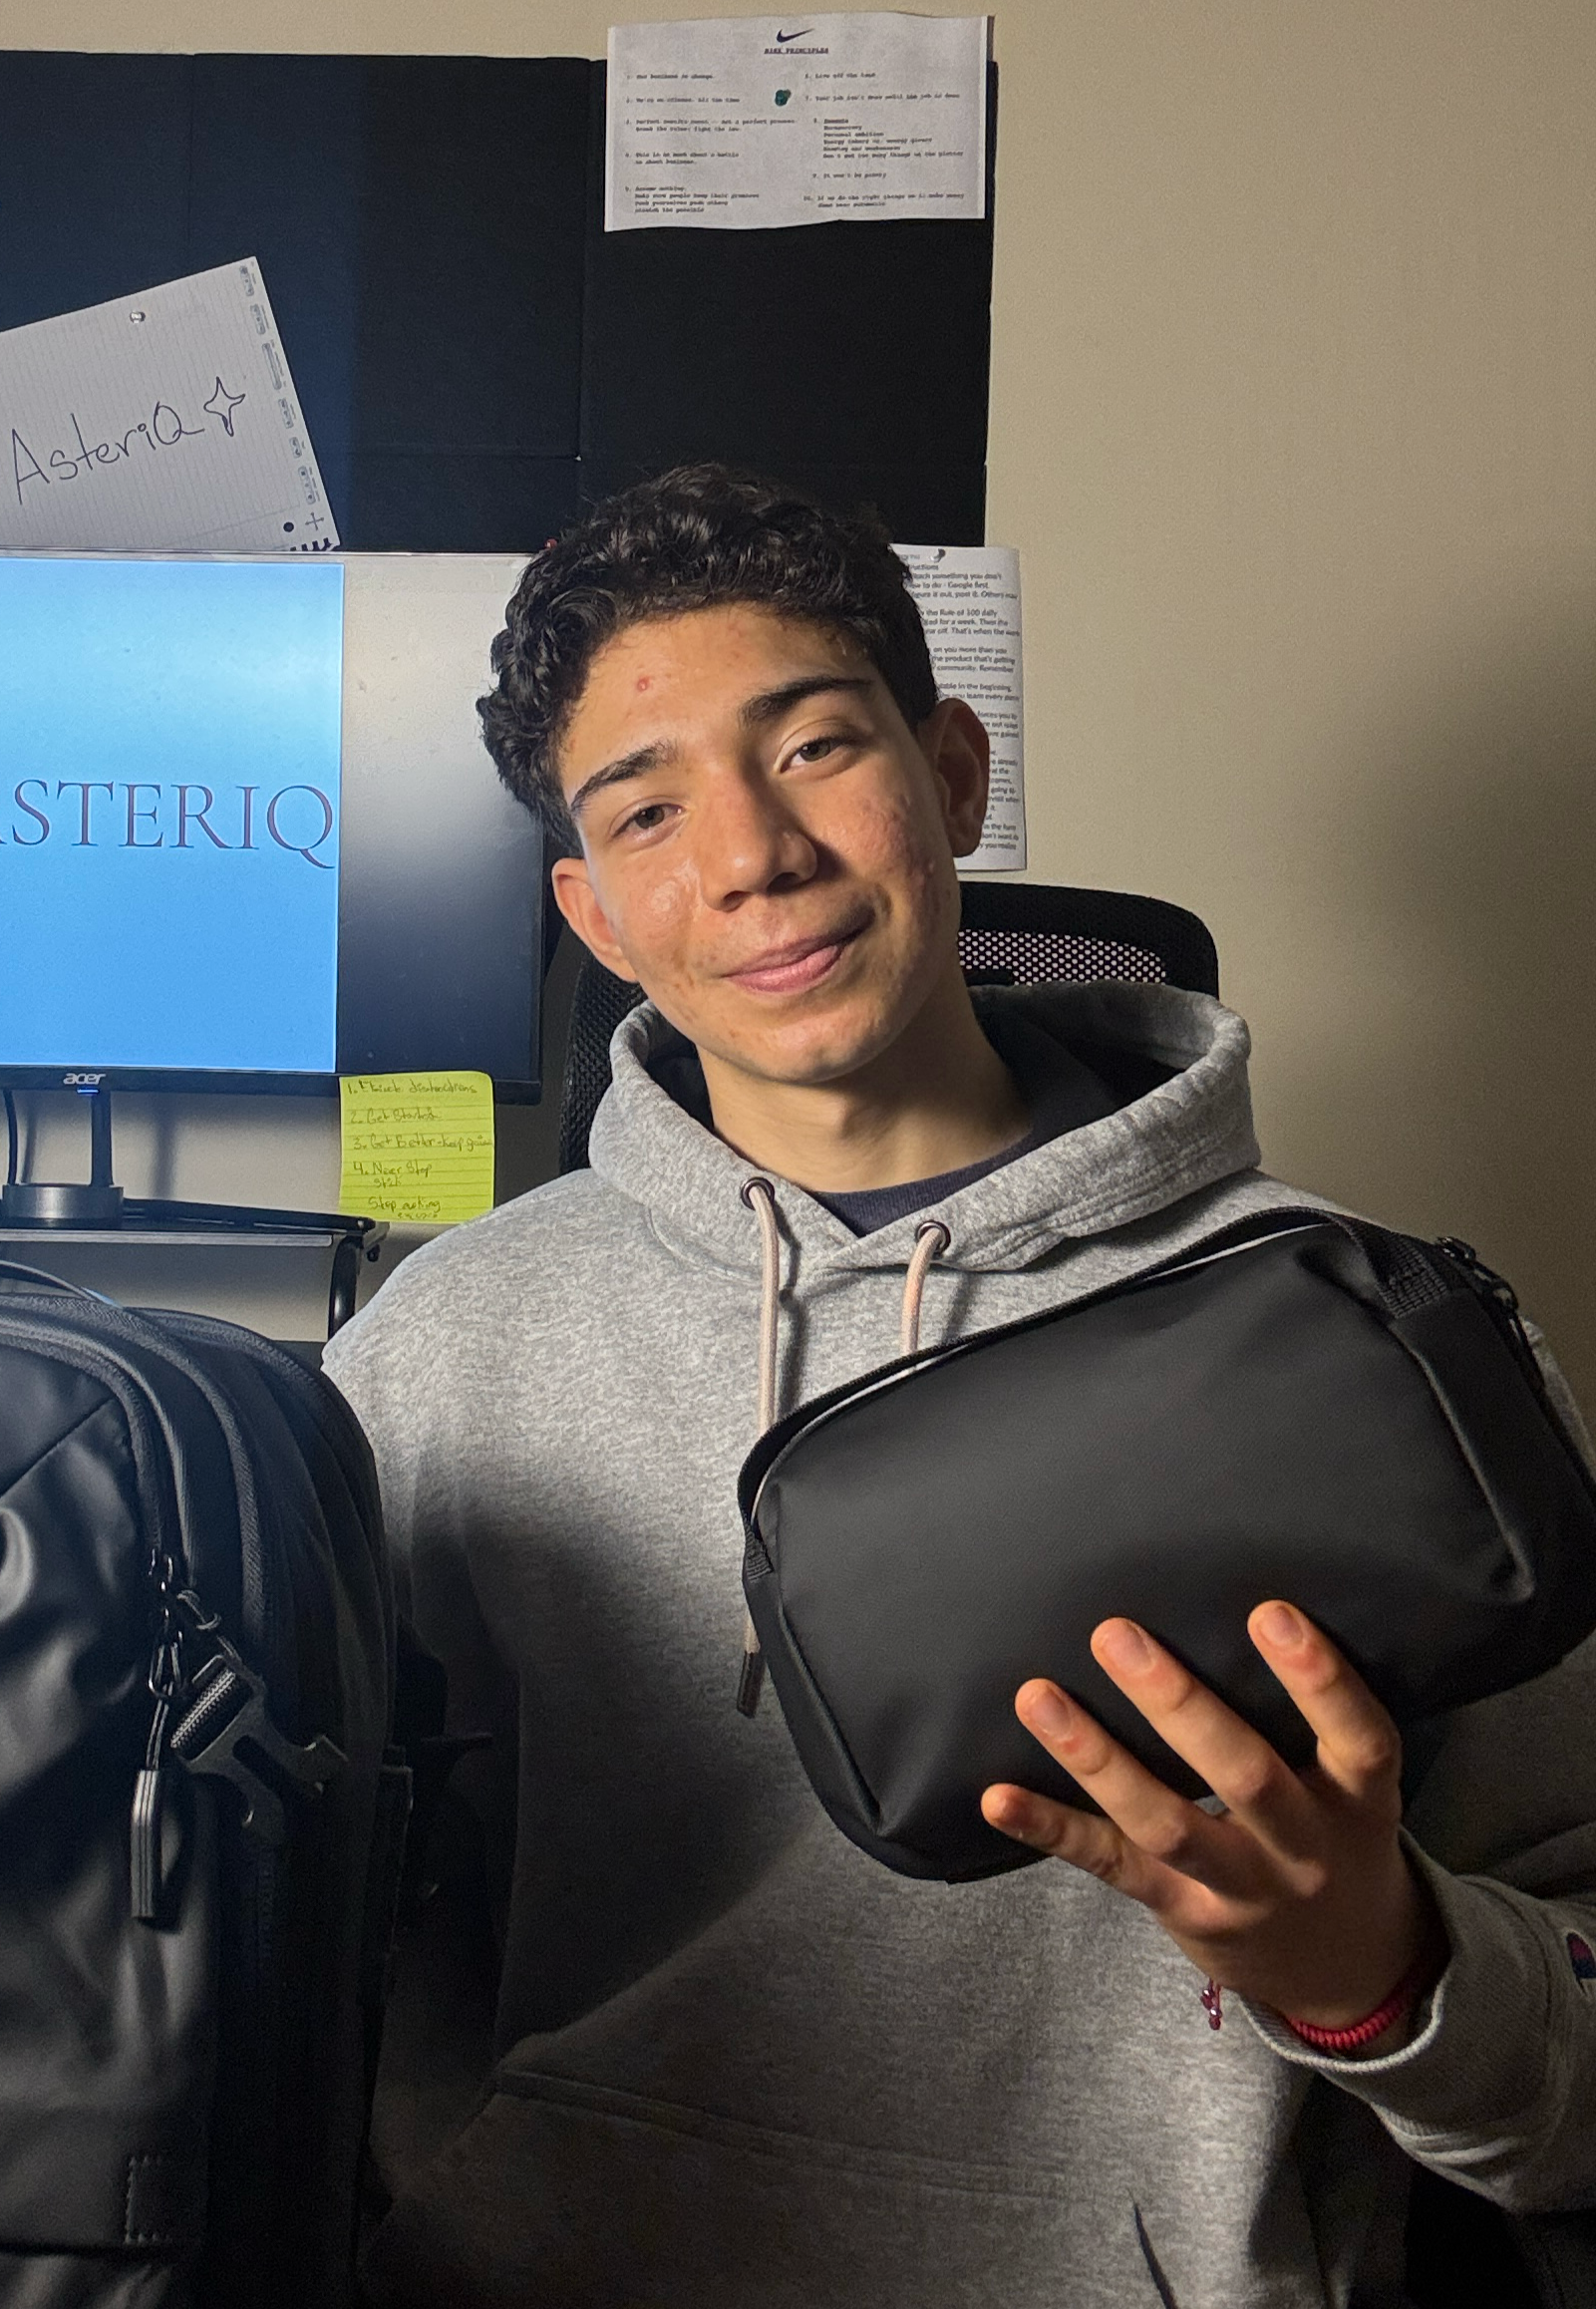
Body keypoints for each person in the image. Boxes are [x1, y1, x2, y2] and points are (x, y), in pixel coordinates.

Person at [324, 466, 1596, 2306]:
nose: (752, 854)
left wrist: (1377, 1966)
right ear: (594, 914)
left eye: (817, 748)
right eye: (648, 808)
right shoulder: (439, 1356)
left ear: (955, 774)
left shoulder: (1375, 1350)